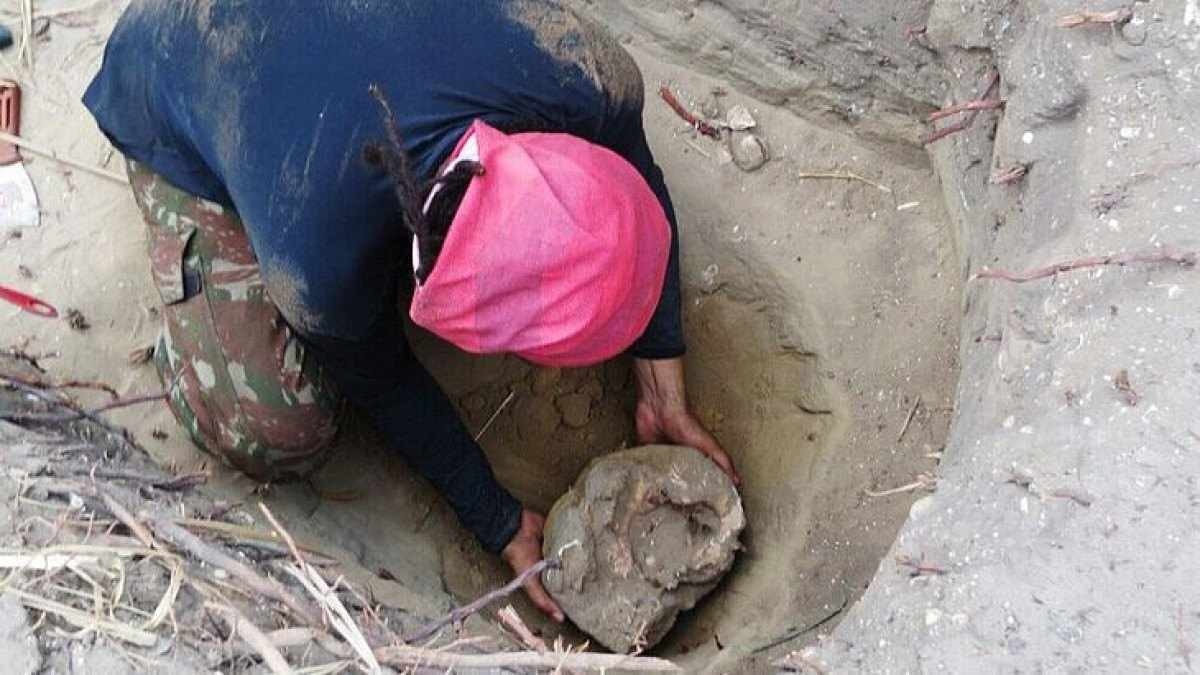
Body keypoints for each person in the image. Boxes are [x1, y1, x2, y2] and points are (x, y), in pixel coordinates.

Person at [84, 0, 739, 620]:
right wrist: (497, 519)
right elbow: (384, 381)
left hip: (337, 49)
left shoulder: (582, 69)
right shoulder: (314, 267)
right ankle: (191, 343)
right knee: (273, 426)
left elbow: (634, 161)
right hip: (176, 57)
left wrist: (660, 361)